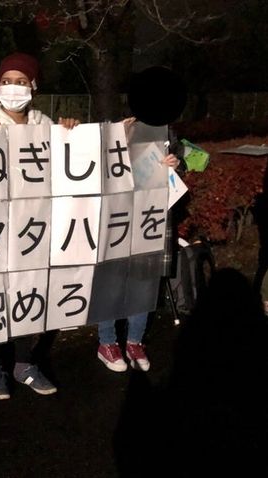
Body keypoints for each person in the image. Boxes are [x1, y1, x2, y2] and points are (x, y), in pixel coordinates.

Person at [0, 52, 79, 400]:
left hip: (32, 226)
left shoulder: (43, 124)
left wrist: (70, 133)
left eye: (20, 81)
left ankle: (23, 362)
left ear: (34, 86)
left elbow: (69, 167)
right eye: (6, 81)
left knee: (28, 292)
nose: (13, 88)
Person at [96, 119, 187, 372]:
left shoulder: (167, 131)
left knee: (145, 281)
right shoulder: (119, 128)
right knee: (112, 281)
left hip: (152, 218)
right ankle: (106, 342)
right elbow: (96, 167)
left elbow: (181, 164)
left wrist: (176, 165)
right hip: (119, 217)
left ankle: (134, 341)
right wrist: (119, 139)